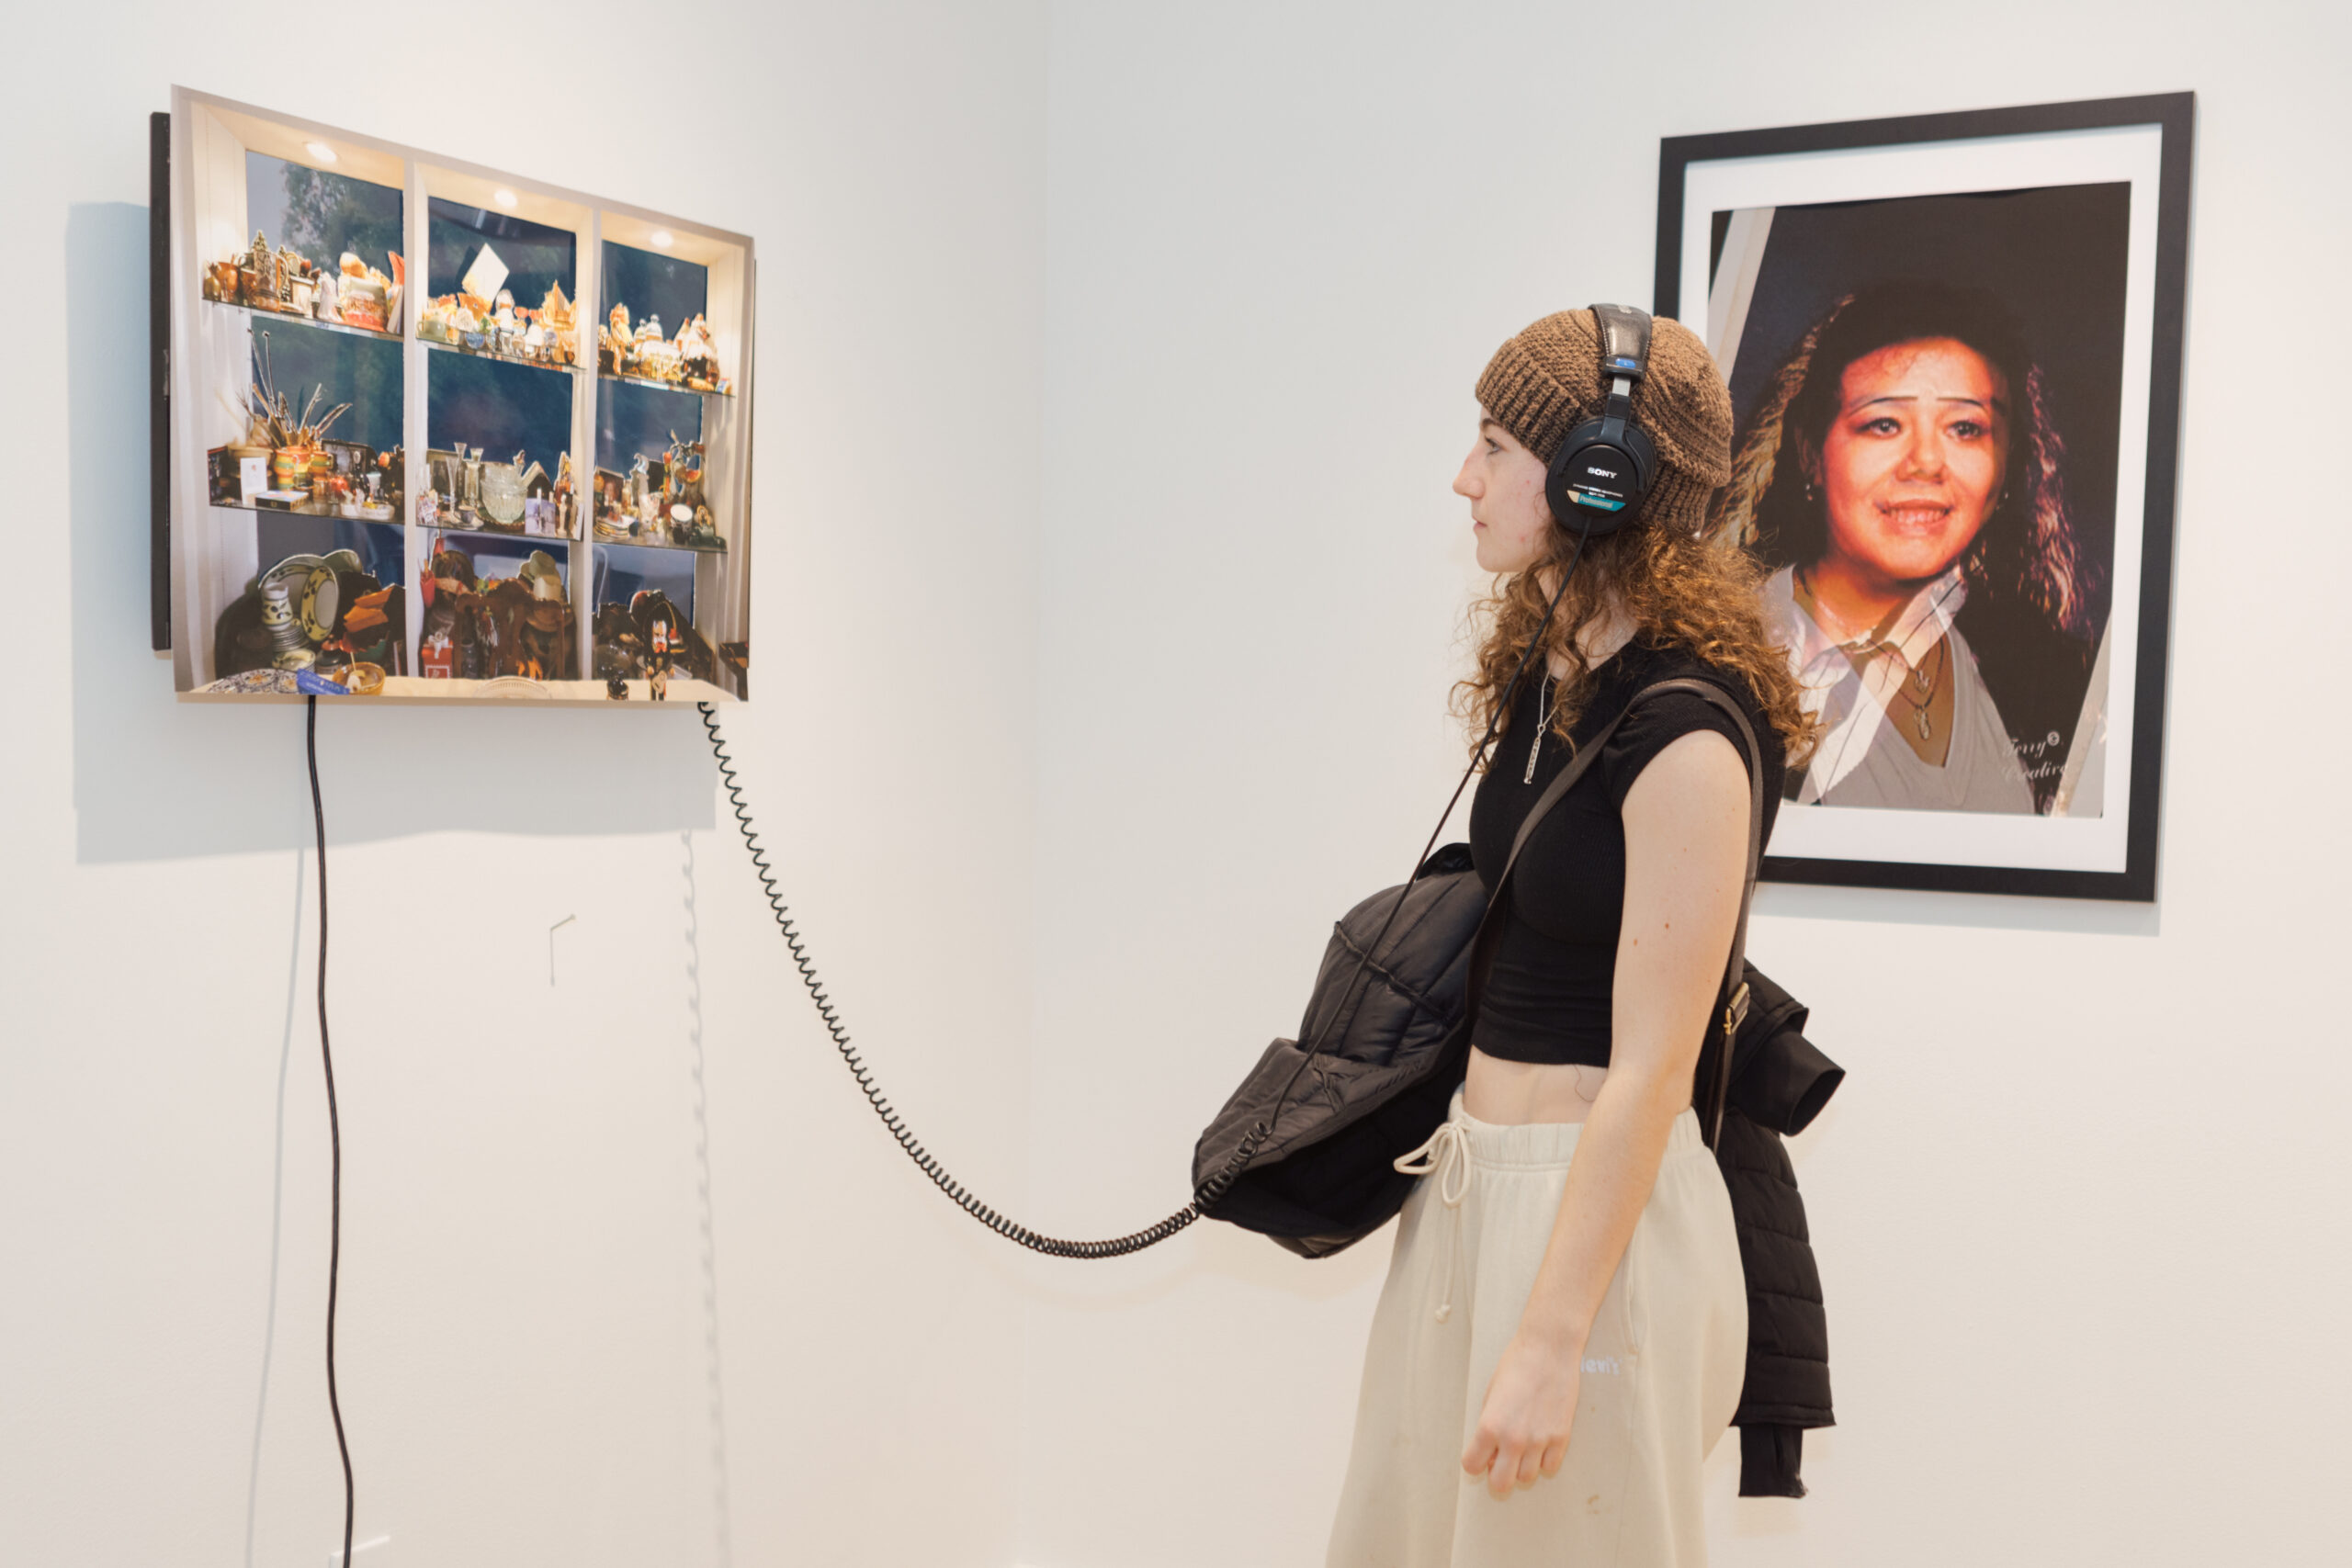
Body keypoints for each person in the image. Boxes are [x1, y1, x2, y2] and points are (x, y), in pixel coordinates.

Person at [1325, 309, 1815, 1566]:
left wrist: (1551, 1341)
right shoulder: (1557, 682)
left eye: (1493, 444)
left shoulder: (1688, 735)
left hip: (1593, 1239)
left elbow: (1653, 1073)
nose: (1464, 477)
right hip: (1482, 1190)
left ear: (1604, 484)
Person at [1708, 278, 2100, 812]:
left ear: (2008, 464)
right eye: (1884, 424)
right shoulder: (1722, 659)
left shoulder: (2045, 680)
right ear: (1808, 452)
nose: (1925, 463)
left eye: (1965, 428)